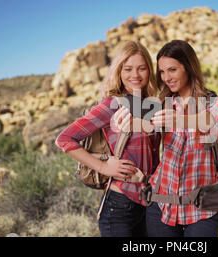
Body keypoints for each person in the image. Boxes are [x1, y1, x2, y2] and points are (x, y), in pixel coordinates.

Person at [55, 40, 161, 237]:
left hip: (149, 204)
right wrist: (103, 166)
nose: (135, 75)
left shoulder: (151, 106)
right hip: (119, 207)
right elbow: (65, 139)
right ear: (119, 72)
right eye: (128, 69)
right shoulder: (112, 104)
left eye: (142, 68)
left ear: (149, 71)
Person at [146, 39, 218, 237]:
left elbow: (207, 121)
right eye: (162, 71)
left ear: (189, 68)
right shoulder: (161, 105)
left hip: (204, 210)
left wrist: (180, 119)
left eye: (172, 70)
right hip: (161, 206)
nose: (166, 77)